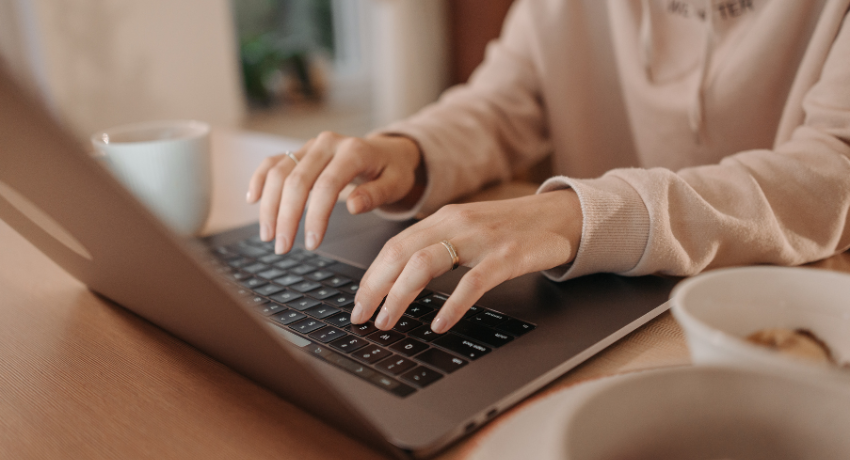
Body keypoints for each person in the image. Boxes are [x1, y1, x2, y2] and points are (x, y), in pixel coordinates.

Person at [246, 0, 850, 335]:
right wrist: (411, 151)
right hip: (597, 311)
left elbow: (831, 170)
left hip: (776, 317)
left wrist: (575, 215)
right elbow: (503, 102)